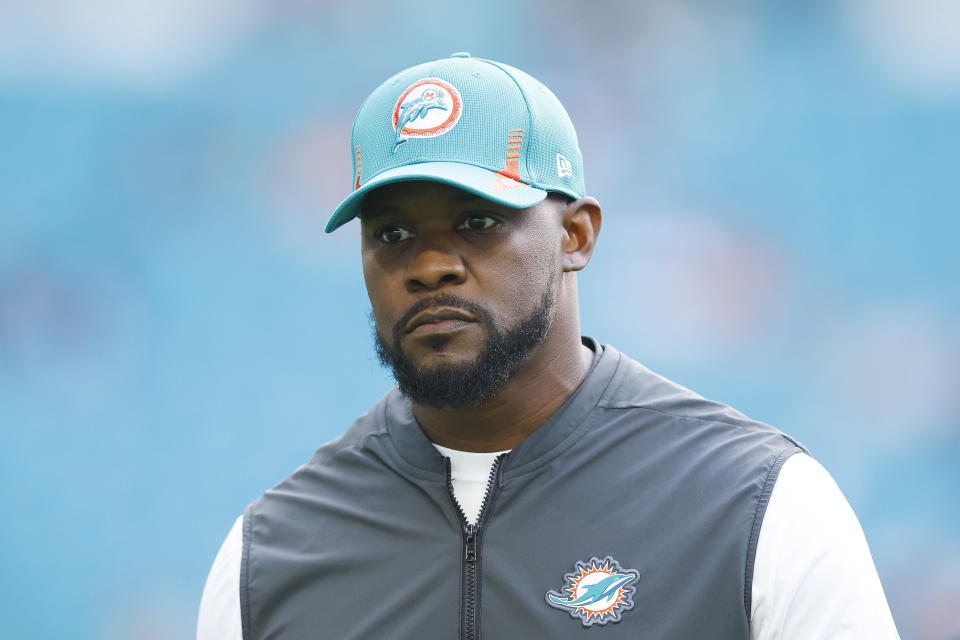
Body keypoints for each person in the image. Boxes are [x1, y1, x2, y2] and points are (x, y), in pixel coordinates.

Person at [197, 53, 900, 639]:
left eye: (477, 220)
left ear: (576, 235)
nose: (429, 264)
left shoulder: (754, 505)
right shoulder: (271, 555)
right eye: (392, 234)